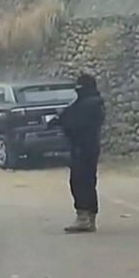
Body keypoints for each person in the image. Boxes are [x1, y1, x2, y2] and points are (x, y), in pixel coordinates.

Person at [58, 72, 105, 233]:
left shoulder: (88, 104)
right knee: (88, 181)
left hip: (82, 147)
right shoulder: (93, 102)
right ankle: (89, 218)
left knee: (79, 181)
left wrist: (62, 122)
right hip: (89, 146)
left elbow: (73, 121)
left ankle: (84, 217)